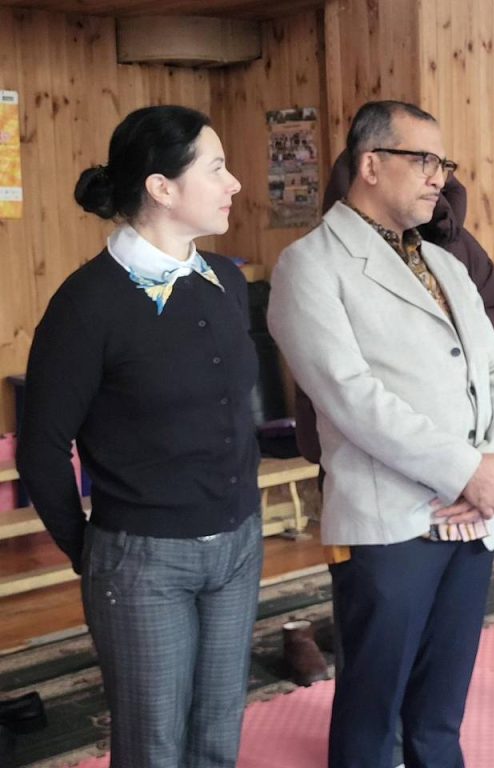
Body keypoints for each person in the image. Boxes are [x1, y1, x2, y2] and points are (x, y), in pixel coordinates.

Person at [267, 100, 494, 768]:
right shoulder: (309, 264)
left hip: (473, 516)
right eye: (424, 160)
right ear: (371, 164)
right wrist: (463, 471)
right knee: (372, 714)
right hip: (390, 522)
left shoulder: (446, 264)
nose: (440, 176)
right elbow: (349, 397)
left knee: (440, 713)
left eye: (443, 162)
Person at [16, 105, 262, 768]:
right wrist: (92, 552)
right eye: (217, 168)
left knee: (218, 736)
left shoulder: (226, 281)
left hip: (239, 544)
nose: (234, 183)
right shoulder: (87, 303)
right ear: (162, 188)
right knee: (153, 747)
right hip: (142, 561)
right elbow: (41, 449)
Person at [293, 148, 494, 466]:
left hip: (467, 432)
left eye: (437, 167)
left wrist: (461, 369)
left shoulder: (455, 249)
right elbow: (338, 379)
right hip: (368, 454)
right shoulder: (322, 260)